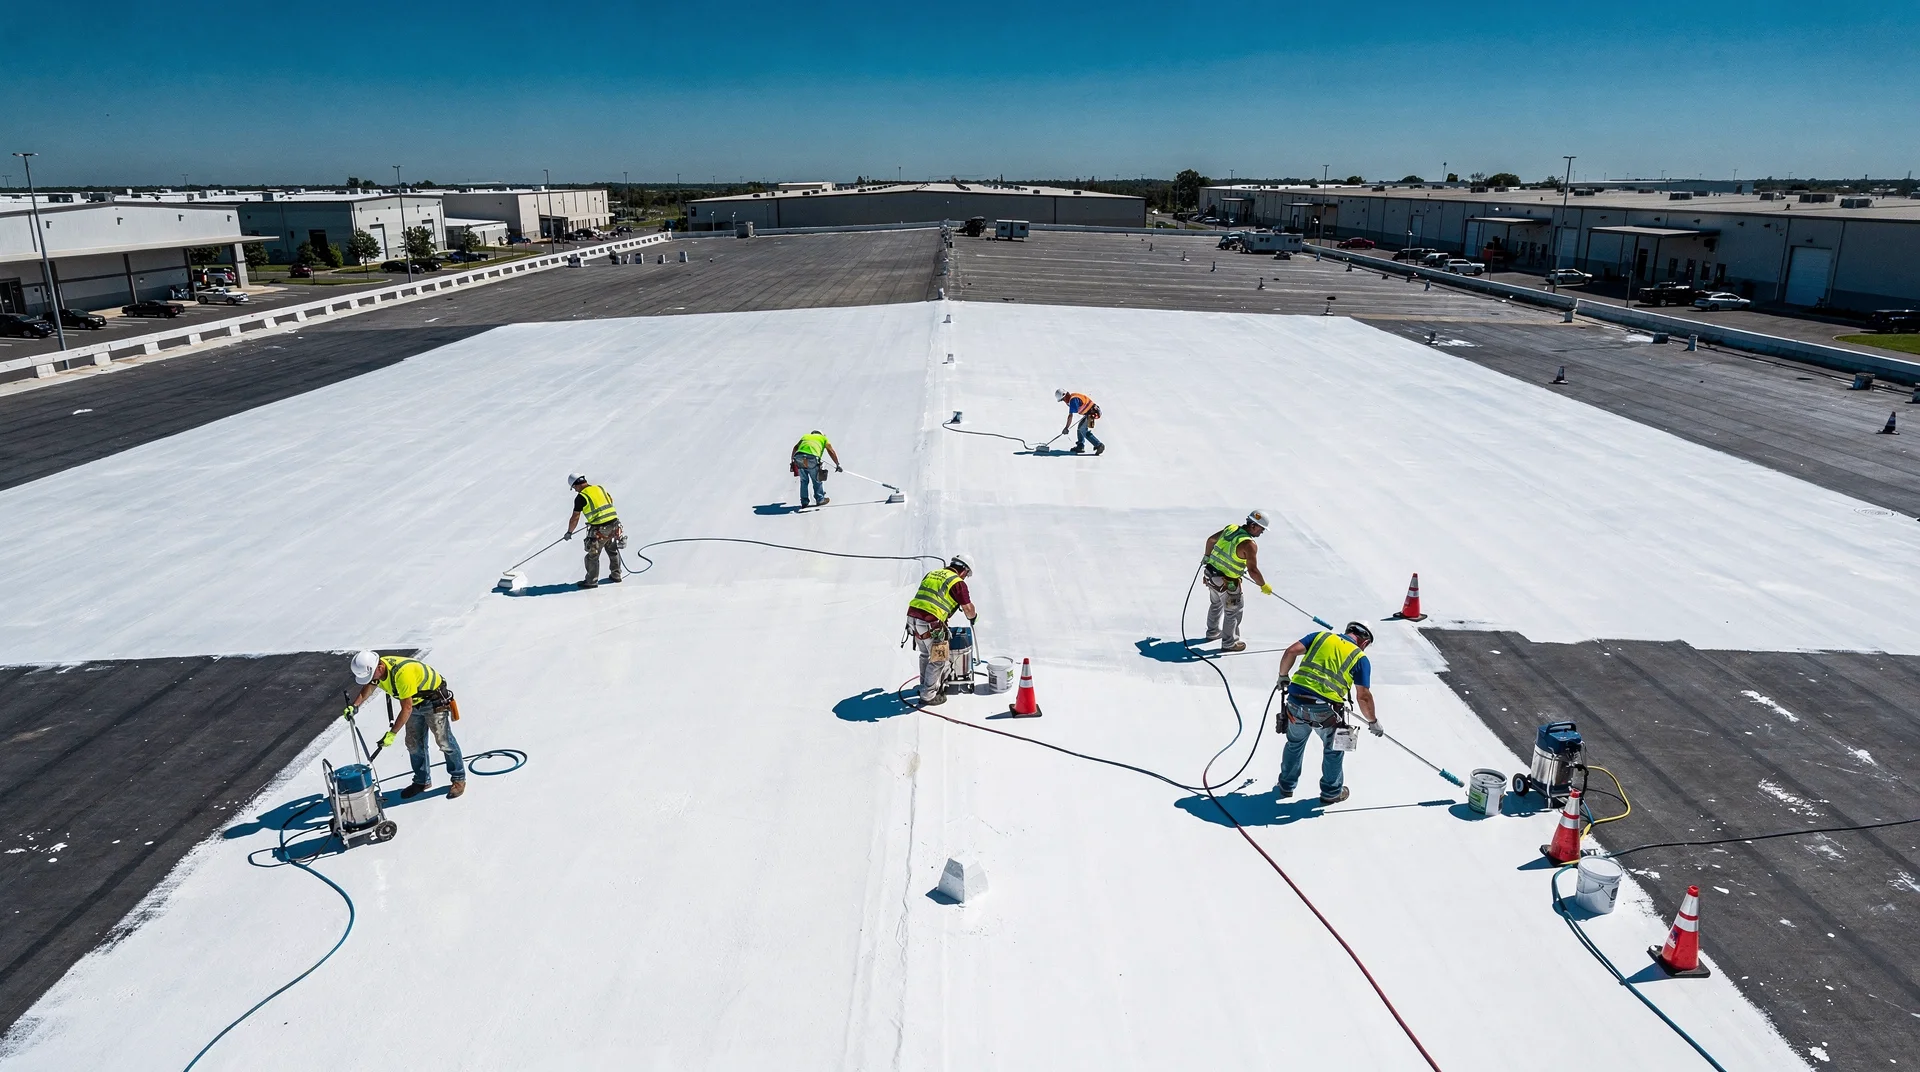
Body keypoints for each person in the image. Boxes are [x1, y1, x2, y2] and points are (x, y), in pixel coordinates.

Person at [1272, 622, 1380, 805]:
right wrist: (1373, 721)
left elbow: (1290, 652)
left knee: (1294, 744)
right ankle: (1331, 792)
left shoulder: (1321, 636)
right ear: (1364, 641)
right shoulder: (1360, 658)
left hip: (1296, 702)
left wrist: (1283, 675)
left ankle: (1286, 786)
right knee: (1334, 750)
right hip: (1326, 711)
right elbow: (1363, 696)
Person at [345, 649, 466, 800]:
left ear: (380, 667)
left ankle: (458, 778)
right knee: (413, 744)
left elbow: (406, 709)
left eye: (370, 676)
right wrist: (355, 706)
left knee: (444, 741)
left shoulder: (402, 674)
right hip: (414, 702)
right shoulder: (378, 669)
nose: (370, 680)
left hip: (433, 701)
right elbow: (369, 686)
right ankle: (422, 781)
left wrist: (392, 733)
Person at [905, 554, 978, 706]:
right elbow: (968, 609)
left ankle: (925, 687)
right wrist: (973, 617)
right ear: (964, 570)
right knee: (939, 659)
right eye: (967, 575)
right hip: (932, 623)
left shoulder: (932, 574)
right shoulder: (958, 583)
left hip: (913, 619)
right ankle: (928, 695)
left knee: (925, 654)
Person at [1201, 510, 1272, 653]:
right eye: (1261, 529)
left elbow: (1211, 540)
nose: (1261, 532)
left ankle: (1212, 632)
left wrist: (1207, 557)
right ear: (1253, 525)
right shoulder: (1249, 544)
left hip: (1211, 576)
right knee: (1233, 611)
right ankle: (1229, 642)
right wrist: (1263, 585)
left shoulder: (1231, 528)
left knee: (1215, 604)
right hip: (1228, 583)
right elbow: (1253, 571)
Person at [565, 474, 624, 589]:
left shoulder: (581, 497)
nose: (576, 490)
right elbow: (609, 500)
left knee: (592, 555)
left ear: (576, 485)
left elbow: (575, 517)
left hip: (599, 529)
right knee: (612, 550)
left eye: (574, 488)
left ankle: (591, 581)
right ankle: (616, 575)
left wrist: (569, 532)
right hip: (614, 525)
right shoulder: (599, 488)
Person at [791, 430, 842, 508]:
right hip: (812, 458)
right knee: (817, 479)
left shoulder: (806, 436)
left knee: (804, 481)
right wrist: (837, 464)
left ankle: (804, 501)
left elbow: (795, 448)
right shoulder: (823, 438)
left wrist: (792, 461)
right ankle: (820, 499)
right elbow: (830, 450)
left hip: (799, 457)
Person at [1055, 388, 1104, 455]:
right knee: (1079, 429)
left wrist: (1066, 427)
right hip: (1090, 412)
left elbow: (1070, 416)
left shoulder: (1073, 400)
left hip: (1092, 413)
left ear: (1065, 395)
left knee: (1083, 430)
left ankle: (1099, 445)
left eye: (1063, 399)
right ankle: (1080, 446)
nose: (1064, 401)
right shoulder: (1072, 398)